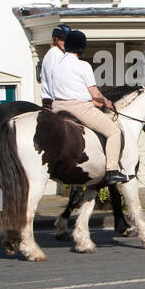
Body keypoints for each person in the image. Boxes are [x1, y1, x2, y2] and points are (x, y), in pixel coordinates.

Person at [49, 29, 129, 184]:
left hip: (57, 107)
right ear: (81, 47)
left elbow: (67, 90)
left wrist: (91, 101)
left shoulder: (55, 66)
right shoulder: (83, 65)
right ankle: (112, 170)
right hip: (79, 108)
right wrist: (106, 102)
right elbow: (94, 93)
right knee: (114, 131)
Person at [38, 25, 70, 109]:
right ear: (56, 39)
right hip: (55, 101)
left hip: (51, 99)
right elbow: (56, 79)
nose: (65, 42)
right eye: (62, 39)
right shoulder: (56, 54)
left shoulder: (53, 53)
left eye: (67, 40)